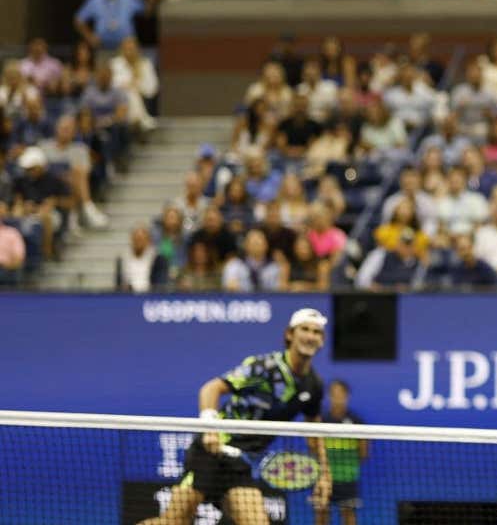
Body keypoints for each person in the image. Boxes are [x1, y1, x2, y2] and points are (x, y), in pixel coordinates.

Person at [139, 308, 332, 525]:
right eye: (304, 329)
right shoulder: (263, 368)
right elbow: (211, 388)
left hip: (241, 464)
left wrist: (324, 473)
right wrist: (210, 429)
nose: (310, 336)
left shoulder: (313, 385)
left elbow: (314, 429)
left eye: (316, 332)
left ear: (322, 340)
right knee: (172, 522)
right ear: (290, 334)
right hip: (211, 452)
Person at [315, 380, 367, 525]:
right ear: (329, 396)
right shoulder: (321, 421)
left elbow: (363, 452)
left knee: (348, 514)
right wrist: (324, 470)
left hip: (347, 478)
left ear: (346, 396)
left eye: (340, 394)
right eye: (334, 394)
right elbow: (314, 447)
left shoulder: (356, 422)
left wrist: (347, 467)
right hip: (324, 477)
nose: (337, 397)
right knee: (321, 513)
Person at [116, 225, 169, 293]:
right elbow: (119, 283)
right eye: (136, 239)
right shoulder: (122, 258)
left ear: (148, 240)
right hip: (128, 295)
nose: (139, 242)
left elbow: (160, 284)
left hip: (150, 295)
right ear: (132, 239)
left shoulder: (158, 259)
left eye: (141, 239)